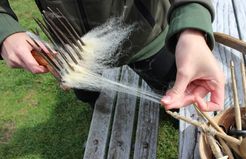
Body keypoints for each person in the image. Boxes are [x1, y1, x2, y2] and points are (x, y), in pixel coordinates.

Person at [0, 0, 225, 112]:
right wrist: (4, 29)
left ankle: (174, 116)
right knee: (87, 95)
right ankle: (95, 107)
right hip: (72, 49)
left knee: (175, 93)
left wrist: (191, 24)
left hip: (147, 33)